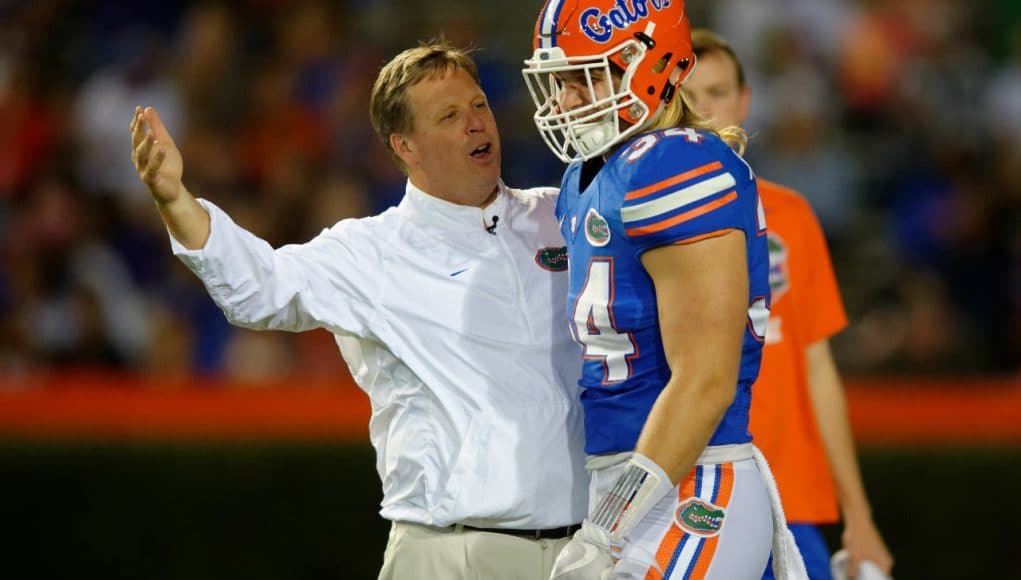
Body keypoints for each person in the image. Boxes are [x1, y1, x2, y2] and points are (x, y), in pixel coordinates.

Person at [130, 40, 588, 580]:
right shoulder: (371, 251)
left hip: (583, 553)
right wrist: (175, 199)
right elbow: (259, 288)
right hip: (450, 556)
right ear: (406, 147)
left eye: (479, 105)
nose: (474, 124)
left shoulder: (562, 214)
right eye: (448, 116)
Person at [522, 1, 806, 578]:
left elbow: (705, 381)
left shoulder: (675, 163)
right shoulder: (589, 174)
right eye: (559, 81)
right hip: (631, 483)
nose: (566, 100)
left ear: (644, 65)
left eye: (583, 76)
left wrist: (608, 526)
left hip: (693, 484)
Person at [684, 28, 894, 580]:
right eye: (689, 95)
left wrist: (860, 515)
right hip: (692, 500)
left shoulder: (793, 217)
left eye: (718, 92)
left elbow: (817, 366)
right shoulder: (644, 219)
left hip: (790, 497)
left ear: (745, 102)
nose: (705, 110)